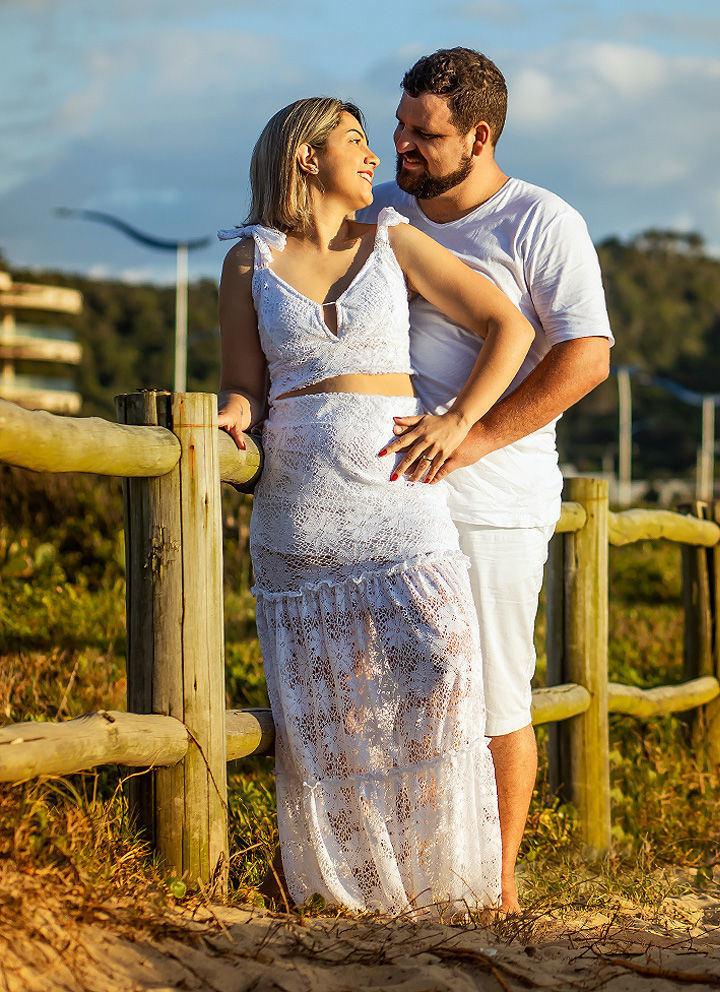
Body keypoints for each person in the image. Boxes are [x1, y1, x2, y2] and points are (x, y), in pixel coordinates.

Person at [215, 96, 535, 916]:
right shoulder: (248, 261)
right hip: (300, 515)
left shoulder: (393, 239)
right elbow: (245, 388)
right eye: (355, 141)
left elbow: (508, 326)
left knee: (443, 666)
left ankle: (442, 883)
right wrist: (232, 421)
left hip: (402, 505)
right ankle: (346, 894)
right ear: (305, 157)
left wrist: (461, 420)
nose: (376, 155)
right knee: (329, 715)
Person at [362, 48, 612, 914]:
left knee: (495, 689)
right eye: (399, 127)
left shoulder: (542, 223)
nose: (403, 147)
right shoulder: (385, 209)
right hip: (388, 494)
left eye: (425, 135)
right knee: (393, 687)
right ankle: (405, 875)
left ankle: (496, 889)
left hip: (493, 498)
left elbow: (588, 357)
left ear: (480, 134)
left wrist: (476, 435)